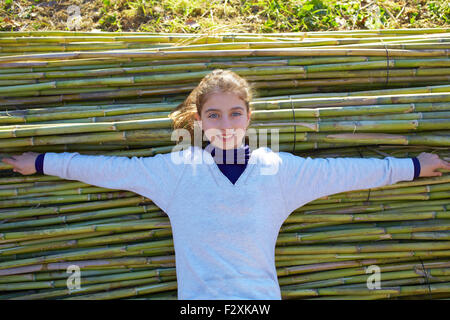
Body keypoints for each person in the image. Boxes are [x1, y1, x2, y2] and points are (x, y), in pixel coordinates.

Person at [2, 69, 450, 300]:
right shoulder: (177, 170)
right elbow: (109, 168)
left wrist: (412, 165)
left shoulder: (280, 170)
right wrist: (40, 162)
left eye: (235, 113)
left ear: (249, 117)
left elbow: (346, 172)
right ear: (199, 121)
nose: (226, 123)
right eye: (214, 114)